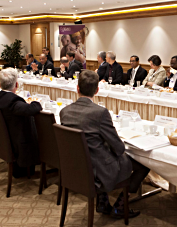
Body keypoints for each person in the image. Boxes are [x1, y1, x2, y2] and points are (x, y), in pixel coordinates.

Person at [60, 70, 150, 219]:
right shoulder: (100, 113)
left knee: (99, 151)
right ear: (97, 90)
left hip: (74, 167)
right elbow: (119, 148)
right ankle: (121, 205)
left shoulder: (64, 111)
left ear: (77, 88)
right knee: (142, 165)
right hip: (98, 170)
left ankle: (103, 201)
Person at [0, 68, 41, 178]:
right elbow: (33, 109)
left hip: (4, 139)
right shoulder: (13, 102)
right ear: (16, 85)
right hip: (18, 144)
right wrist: (35, 101)